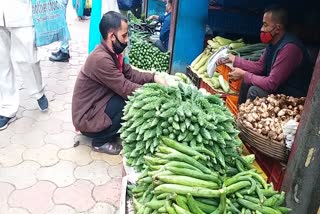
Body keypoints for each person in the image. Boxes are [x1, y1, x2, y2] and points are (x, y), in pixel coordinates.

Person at [72, 11, 166, 155]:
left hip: (95, 105)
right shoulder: (101, 59)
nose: (127, 39)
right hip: (86, 117)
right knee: (126, 101)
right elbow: (125, 87)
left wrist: (154, 77)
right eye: (124, 35)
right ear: (111, 37)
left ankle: (104, 129)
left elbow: (131, 74)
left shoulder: (112, 54)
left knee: (126, 97)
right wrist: (155, 94)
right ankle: (100, 142)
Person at [218, 6, 313, 105]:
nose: (261, 29)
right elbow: (260, 67)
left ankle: (246, 119)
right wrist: (235, 60)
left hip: (293, 97)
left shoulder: (290, 49)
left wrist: (245, 74)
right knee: (246, 82)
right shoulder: (273, 43)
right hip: (280, 87)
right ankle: (239, 113)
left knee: (254, 91)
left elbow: (271, 84)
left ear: (277, 28)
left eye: (265, 25)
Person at [0, 0, 48, 130]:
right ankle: (7, 108)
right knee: (2, 64)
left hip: (21, 11)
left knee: (28, 58)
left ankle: (38, 92)